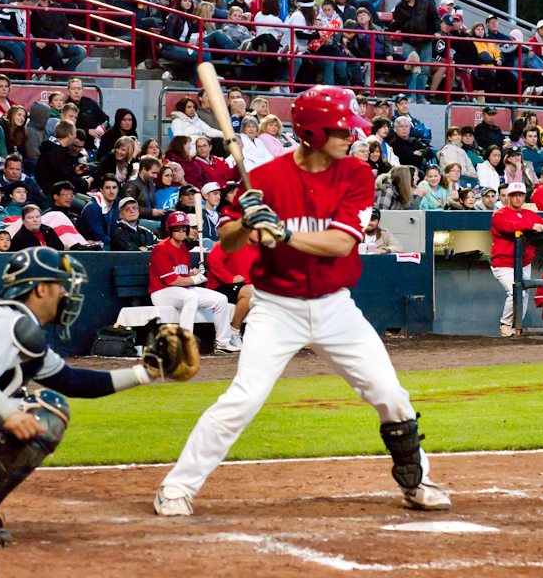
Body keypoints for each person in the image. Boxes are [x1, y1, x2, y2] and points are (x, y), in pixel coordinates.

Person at [153, 86, 452, 518]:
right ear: (312, 133)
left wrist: (285, 233)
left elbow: (338, 243)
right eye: (342, 130)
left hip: (336, 307)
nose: (352, 137)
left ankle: (416, 481)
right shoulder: (268, 177)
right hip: (277, 308)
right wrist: (248, 220)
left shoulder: (356, 174)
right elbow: (227, 236)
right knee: (245, 397)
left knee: (390, 393)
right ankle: (176, 487)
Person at [0, 246, 178, 545]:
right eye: (60, 285)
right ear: (41, 289)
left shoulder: (11, 321)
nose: (66, 294)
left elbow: (73, 381)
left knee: (20, 399)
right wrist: (10, 414)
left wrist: (147, 373)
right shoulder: (8, 319)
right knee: (44, 410)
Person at [149, 210, 237, 355]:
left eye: (184, 229)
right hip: (161, 292)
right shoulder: (161, 249)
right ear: (169, 230)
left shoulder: (183, 249)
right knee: (191, 297)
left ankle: (223, 343)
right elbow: (171, 280)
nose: (181, 232)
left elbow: (181, 273)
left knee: (221, 299)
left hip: (180, 290)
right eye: (177, 229)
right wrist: (194, 280)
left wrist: (195, 272)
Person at [490, 182, 543, 337]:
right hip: (503, 263)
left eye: (520, 195)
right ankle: (505, 324)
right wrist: (532, 226)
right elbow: (510, 226)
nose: (518, 198)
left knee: (524, 295)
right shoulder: (499, 214)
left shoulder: (528, 214)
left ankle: (516, 328)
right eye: (514, 195)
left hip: (523, 262)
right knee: (516, 292)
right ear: (508, 197)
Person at [205, 230, 257, 346]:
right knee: (251, 292)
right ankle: (234, 332)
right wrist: (229, 278)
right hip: (221, 286)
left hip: (245, 286)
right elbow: (212, 259)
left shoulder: (263, 247)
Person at [77, 173, 119, 247]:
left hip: (111, 245)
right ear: (101, 190)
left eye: (114, 187)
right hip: (95, 249)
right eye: (107, 188)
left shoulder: (119, 204)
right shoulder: (92, 208)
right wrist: (121, 245)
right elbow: (99, 236)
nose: (111, 191)